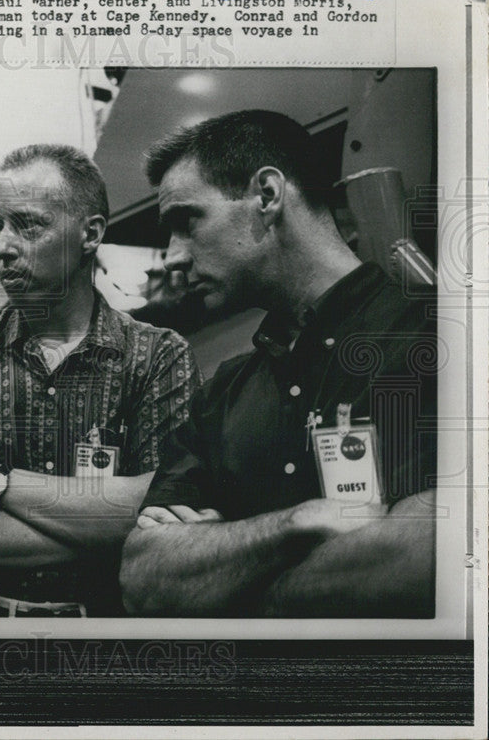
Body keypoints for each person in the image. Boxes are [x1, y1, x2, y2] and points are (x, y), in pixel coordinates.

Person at [119, 110, 438, 618]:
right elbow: (142, 575)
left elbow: (428, 556)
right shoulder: (222, 394)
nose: (174, 258)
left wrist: (234, 574)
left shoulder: (440, 336)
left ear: (267, 195)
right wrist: (299, 523)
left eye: (186, 221)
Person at [0, 144, 200, 617]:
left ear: (89, 234)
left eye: (27, 225)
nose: (2, 247)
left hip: (103, 640)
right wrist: (99, 531)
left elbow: (161, 509)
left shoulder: (158, 356)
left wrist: (0, 484)